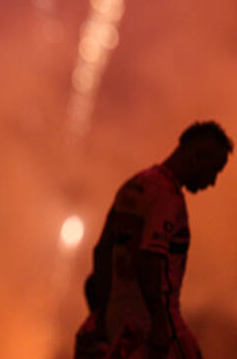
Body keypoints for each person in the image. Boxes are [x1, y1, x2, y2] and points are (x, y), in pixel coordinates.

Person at [75, 121, 232, 359]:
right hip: (153, 328)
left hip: (120, 326)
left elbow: (102, 251)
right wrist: (159, 324)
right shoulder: (168, 197)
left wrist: (102, 314)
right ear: (198, 155)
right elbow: (150, 258)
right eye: (215, 170)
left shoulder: (134, 185)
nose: (212, 182)